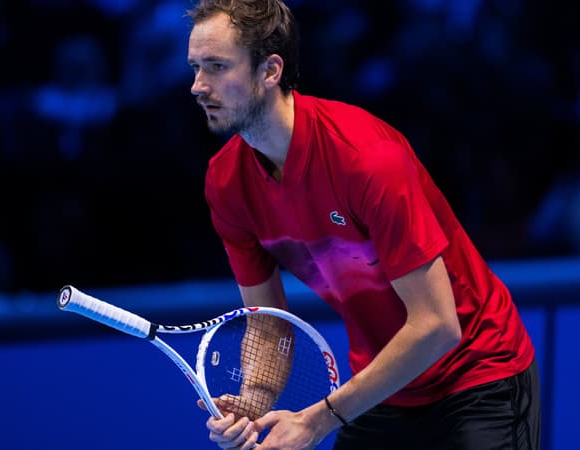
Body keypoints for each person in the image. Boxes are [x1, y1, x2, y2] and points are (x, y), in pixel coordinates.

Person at [185, 1, 540, 449]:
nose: (199, 86)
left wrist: (317, 420)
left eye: (217, 66)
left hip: (477, 376)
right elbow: (269, 324)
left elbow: (437, 324)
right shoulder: (226, 183)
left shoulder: (365, 159)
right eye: (196, 67)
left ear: (270, 70)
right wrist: (251, 407)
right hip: (383, 385)